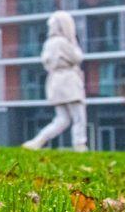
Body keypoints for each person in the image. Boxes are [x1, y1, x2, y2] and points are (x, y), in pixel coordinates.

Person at [22, 11, 88, 151]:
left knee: (62, 119)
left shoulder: (49, 43)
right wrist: (74, 43)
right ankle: (79, 144)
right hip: (68, 81)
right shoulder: (63, 42)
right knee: (78, 116)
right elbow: (77, 57)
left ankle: (38, 141)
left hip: (54, 81)